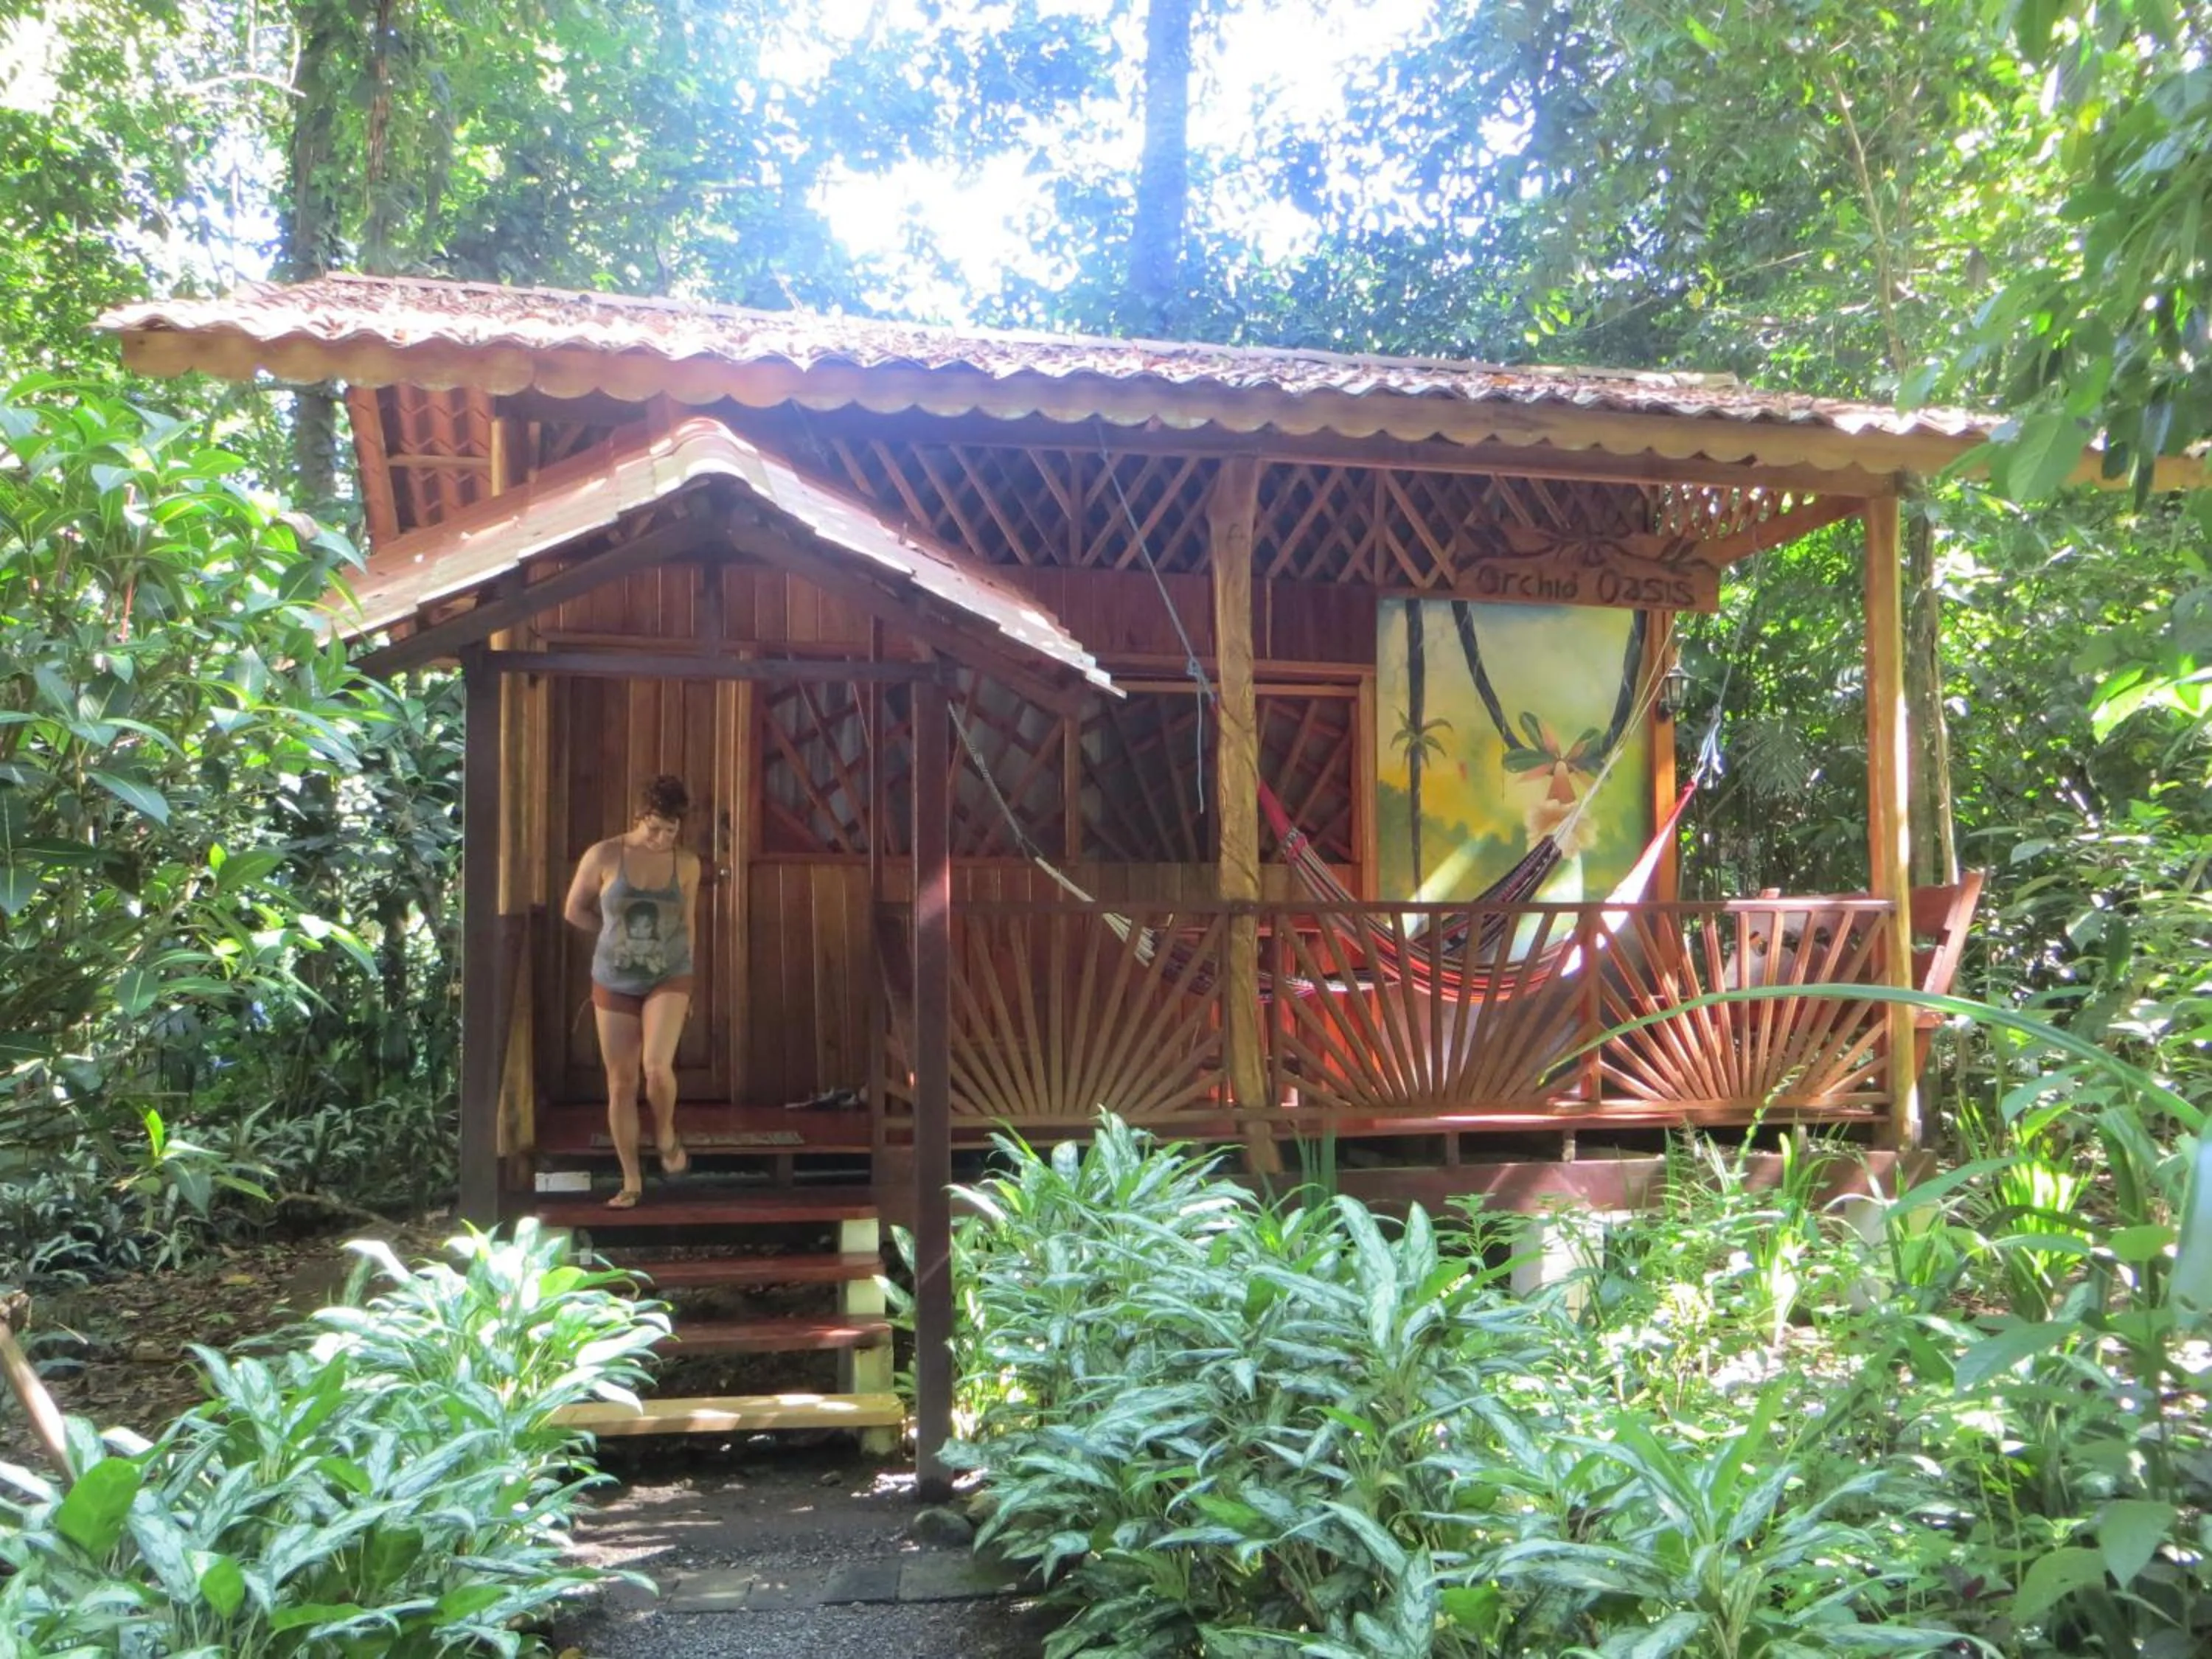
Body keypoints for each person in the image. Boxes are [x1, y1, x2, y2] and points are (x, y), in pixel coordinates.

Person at [563, 774, 700, 1208]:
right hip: (614, 977)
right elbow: (574, 910)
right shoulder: (604, 854)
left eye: (671, 830)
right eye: (655, 828)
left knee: (657, 1066)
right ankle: (631, 1180)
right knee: (621, 1082)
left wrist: (688, 985)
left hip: (668, 973)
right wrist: (611, 936)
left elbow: (688, 924)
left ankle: (664, 1132)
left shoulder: (688, 864)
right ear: (639, 817)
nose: (662, 838)